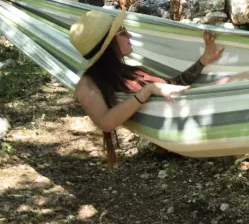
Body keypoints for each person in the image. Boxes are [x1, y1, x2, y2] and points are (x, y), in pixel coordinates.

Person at [69, 9, 227, 166]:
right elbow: (106, 122)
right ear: (108, 45)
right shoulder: (87, 86)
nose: (129, 35)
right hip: (193, 114)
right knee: (248, 76)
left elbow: (172, 85)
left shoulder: (130, 71)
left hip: (193, 103)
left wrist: (204, 60)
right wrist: (147, 91)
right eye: (123, 32)